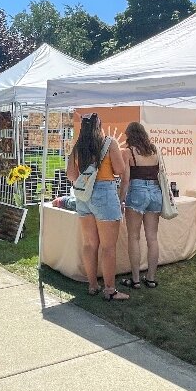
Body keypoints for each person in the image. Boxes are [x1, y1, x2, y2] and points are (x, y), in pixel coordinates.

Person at [66, 113, 129, 301]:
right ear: (99, 126)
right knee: (108, 246)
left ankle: (93, 285)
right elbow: (119, 170)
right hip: (105, 192)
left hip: (83, 195)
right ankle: (110, 290)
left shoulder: (78, 147)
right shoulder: (109, 143)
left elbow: (71, 175)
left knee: (90, 243)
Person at [119, 122, 162, 289]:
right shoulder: (155, 149)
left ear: (130, 135)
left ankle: (135, 280)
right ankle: (151, 278)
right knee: (152, 238)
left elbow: (125, 181)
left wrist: (121, 199)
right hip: (155, 192)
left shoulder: (128, 152)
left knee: (134, 237)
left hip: (137, 192)